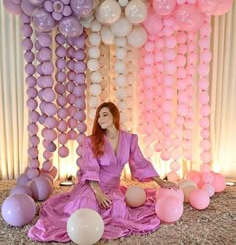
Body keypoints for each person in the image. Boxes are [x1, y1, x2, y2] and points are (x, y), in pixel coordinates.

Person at [28, 102, 178, 242]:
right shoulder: (91, 141)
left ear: (115, 115)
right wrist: (98, 193)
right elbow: (90, 167)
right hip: (93, 185)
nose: (100, 118)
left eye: (104, 114)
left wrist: (161, 182)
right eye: (99, 116)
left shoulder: (129, 139)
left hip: (113, 187)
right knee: (86, 207)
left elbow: (140, 162)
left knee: (118, 210)